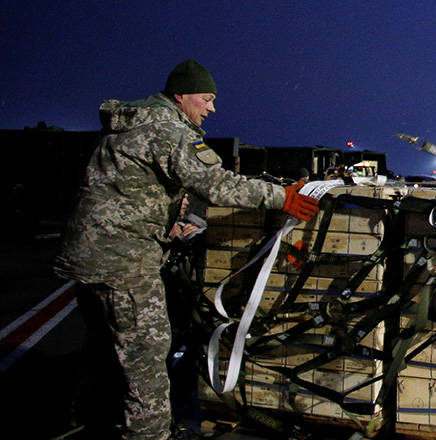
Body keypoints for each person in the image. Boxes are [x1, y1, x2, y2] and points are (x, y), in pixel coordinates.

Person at [54, 59, 320, 440]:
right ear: (180, 96)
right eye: (205, 99)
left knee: (105, 348)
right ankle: (149, 434)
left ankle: (91, 418)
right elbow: (214, 183)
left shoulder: (132, 122)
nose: (210, 108)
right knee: (146, 355)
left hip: (90, 254)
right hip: (124, 260)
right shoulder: (169, 129)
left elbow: (127, 189)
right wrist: (282, 198)